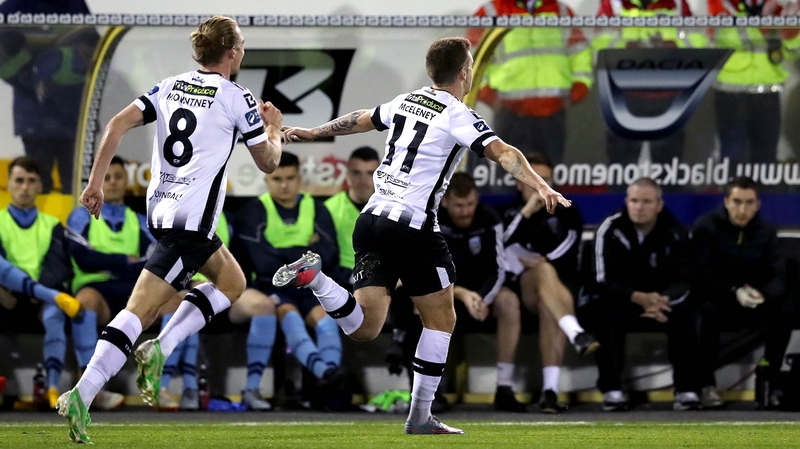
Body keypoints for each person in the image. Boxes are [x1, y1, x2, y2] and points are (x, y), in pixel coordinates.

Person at [277, 36, 571, 434]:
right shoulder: (457, 113)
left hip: (373, 220)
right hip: (413, 227)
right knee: (441, 319)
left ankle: (315, 279)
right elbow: (505, 153)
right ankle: (419, 417)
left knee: (364, 327)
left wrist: (312, 133)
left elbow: (362, 118)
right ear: (464, 72)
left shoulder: (406, 100)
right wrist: (541, 186)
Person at [56, 15, 283, 444]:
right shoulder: (238, 97)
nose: (244, 50)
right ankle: (82, 394)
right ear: (232, 51)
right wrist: (273, 125)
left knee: (232, 281)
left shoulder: (169, 85)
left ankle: (162, 346)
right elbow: (269, 161)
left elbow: (116, 124)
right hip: (190, 224)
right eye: (243, 44)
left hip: (163, 213)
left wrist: (94, 183)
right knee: (138, 312)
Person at [578, 177, 705, 412]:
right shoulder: (610, 228)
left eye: (646, 201)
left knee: (690, 314)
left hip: (660, 302)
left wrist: (662, 300)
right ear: (627, 202)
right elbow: (600, 278)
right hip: (620, 300)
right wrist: (637, 297)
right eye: (634, 201)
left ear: (659, 205)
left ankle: (687, 390)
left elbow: (686, 278)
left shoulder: (675, 231)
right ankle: (612, 391)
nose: (639, 207)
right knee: (604, 314)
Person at [236, 152, 347, 410]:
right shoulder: (253, 212)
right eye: (277, 179)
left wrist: (285, 255)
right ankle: (326, 374)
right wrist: (304, 252)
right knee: (291, 317)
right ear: (266, 180)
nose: (283, 185)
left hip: (311, 285)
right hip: (272, 286)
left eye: (290, 178)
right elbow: (262, 263)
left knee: (328, 323)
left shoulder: (317, 209)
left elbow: (328, 256)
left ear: (299, 179)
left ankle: (329, 386)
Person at [502, 153, 597, 413]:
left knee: (548, 301)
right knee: (542, 273)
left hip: (559, 285)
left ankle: (550, 393)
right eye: (535, 180)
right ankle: (575, 331)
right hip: (521, 286)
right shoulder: (510, 211)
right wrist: (526, 212)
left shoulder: (567, 208)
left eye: (546, 180)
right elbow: (501, 244)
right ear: (520, 181)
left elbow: (571, 244)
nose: (542, 185)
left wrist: (544, 258)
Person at [158, 207, 277, 412]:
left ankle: (252, 389)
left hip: (226, 292)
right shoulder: (177, 213)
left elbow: (243, 260)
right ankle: (183, 387)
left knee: (263, 306)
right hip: (189, 287)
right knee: (188, 301)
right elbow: (166, 259)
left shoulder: (229, 219)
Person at [691, 176, 790, 409]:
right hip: (720, 300)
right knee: (703, 312)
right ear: (726, 201)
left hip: (755, 301)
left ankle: (770, 381)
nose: (742, 209)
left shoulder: (766, 231)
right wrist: (733, 291)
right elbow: (701, 274)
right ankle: (706, 385)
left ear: (757, 204)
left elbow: (779, 275)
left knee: (785, 311)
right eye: (737, 202)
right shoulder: (706, 226)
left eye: (748, 202)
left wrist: (762, 294)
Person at [66, 156, 155, 411]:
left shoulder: (141, 220)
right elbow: (83, 258)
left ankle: (164, 385)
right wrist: (126, 261)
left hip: (133, 290)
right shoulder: (80, 217)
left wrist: (106, 262)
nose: (113, 183)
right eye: (106, 178)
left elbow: (151, 262)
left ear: (127, 180)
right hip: (97, 289)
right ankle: (90, 389)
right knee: (85, 303)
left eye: (118, 177)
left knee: (175, 299)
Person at [467, 0, 593, 165]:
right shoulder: (491, 12)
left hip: (552, 114)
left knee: (548, 178)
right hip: (510, 114)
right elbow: (472, 59)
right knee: (509, 177)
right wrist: (489, 96)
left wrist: (578, 90)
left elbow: (580, 52)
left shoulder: (561, 11)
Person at [0, 156, 82, 408]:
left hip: (41, 300)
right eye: (19, 181)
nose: (25, 187)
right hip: (6, 297)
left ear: (39, 186)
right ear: (9, 184)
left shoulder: (53, 225)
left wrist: (41, 293)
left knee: (55, 313)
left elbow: (58, 266)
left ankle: (53, 388)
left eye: (31, 181)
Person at [707, 0, 800, 166]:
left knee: (766, 157)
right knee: (731, 157)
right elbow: (712, 39)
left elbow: (792, 53)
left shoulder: (778, 8)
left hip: (767, 91)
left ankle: (763, 192)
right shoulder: (720, 4)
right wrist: (759, 25)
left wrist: (790, 31)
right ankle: (732, 192)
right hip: (730, 90)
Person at [324, 146, 380, 289]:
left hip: (386, 279)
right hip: (343, 281)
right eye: (357, 173)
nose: (363, 181)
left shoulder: (393, 208)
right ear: (347, 174)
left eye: (370, 174)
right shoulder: (328, 209)